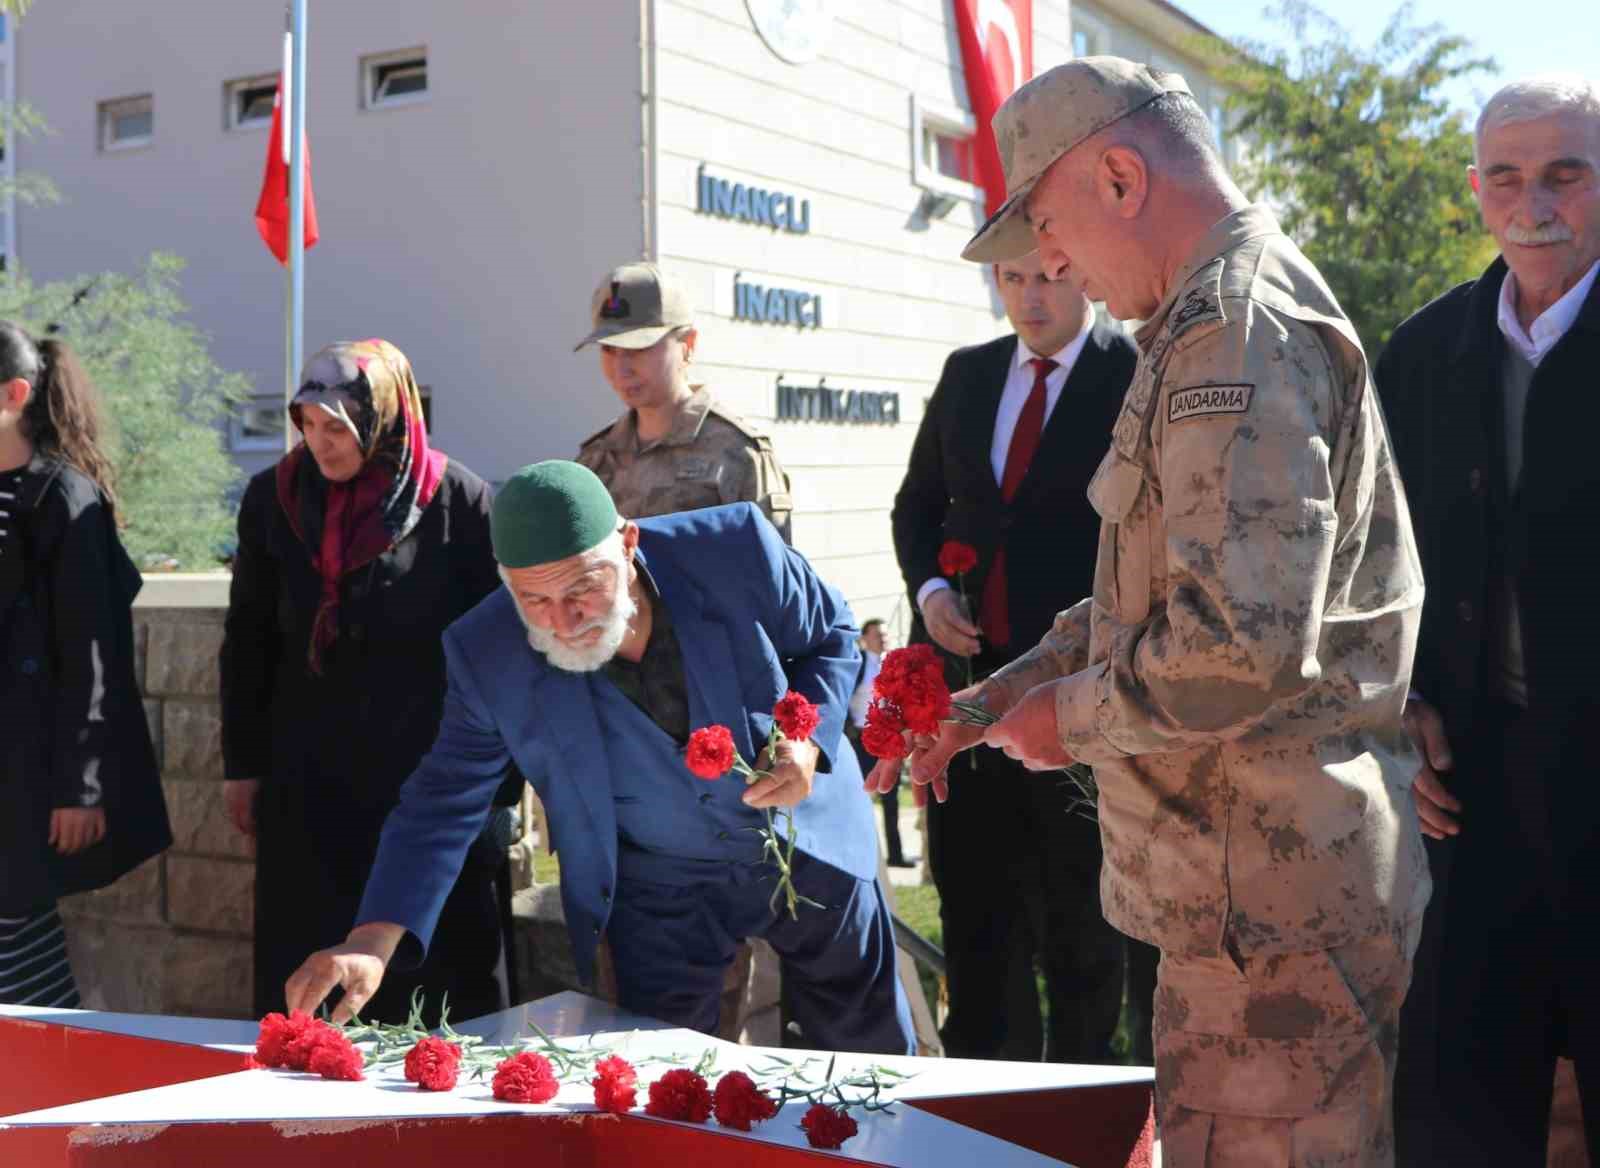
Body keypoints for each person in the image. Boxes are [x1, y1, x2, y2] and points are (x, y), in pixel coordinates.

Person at [870, 57, 1430, 1165]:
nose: (1053, 263)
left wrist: (1062, 721)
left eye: (1051, 225)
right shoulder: (1199, 322)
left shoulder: (1233, 336)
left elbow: (1237, 648)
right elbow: (1154, 602)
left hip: (1271, 926)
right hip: (1241, 913)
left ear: (1121, 177)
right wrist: (997, 700)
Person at [282, 461, 914, 1057]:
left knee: (871, 1055)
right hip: (660, 890)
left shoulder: (734, 547)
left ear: (629, 543)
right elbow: (441, 801)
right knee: (660, 1085)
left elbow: (831, 635)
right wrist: (373, 938)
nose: (564, 621)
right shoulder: (486, 652)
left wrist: (806, 742)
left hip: (808, 846)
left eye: (584, 588)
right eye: (534, 600)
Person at [1377, 76, 1600, 1167]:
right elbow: (1366, 568)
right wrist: (1397, 701)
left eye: (1565, 172)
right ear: (1475, 193)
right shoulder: (1419, 358)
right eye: (1505, 176)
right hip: (1469, 802)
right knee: (1460, 1114)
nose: (1533, 201)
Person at [889, 249, 1145, 1063]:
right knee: (978, 931)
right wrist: (931, 593)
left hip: (1078, 706)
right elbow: (916, 507)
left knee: (1085, 940)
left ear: (1086, 274)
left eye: (1050, 275)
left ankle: (1088, 1119)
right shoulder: (968, 375)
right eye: (1012, 279)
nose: (1030, 298)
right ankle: (986, 1122)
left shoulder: (1133, 374)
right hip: (965, 705)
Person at [220, 339, 515, 1026]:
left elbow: (500, 651)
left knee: (441, 980)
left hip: (428, 778)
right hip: (310, 784)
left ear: (382, 416)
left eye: (338, 426)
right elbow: (249, 639)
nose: (320, 443)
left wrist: (498, 793)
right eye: (308, 423)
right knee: (311, 974)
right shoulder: (276, 498)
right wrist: (244, 765)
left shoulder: (459, 501)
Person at [0, 322, 170, 1007]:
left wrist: (83, 787)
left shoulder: (66, 500)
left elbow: (94, 654)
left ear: (13, 394)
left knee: (17, 942)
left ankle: (44, 1092)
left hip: (29, 775)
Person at [575, 262, 793, 542]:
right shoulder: (596, 460)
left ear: (688, 345)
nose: (621, 368)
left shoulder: (739, 453)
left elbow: (773, 575)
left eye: (638, 347)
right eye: (609, 349)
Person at [845, 619, 910, 868]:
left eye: (885, 634)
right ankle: (857, 854)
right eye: (877, 634)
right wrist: (849, 728)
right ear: (864, 639)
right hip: (861, 739)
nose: (883, 638)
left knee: (891, 798)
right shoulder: (858, 665)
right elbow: (843, 698)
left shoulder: (892, 666)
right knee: (859, 798)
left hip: (888, 740)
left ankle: (895, 855)